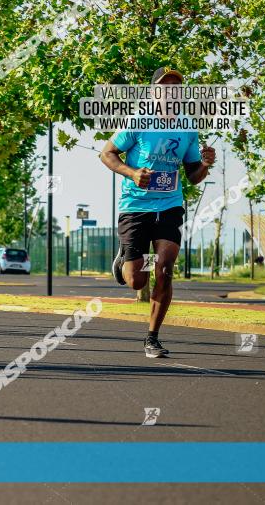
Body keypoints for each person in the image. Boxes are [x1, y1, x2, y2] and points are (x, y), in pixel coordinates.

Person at [102, 66, 215, 358]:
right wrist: (131, 172)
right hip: (135, 207)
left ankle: (152, 337)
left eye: (177, 86)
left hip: (169, 205)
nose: (171, 91)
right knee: (137, 280)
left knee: (164, 270)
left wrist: (205, 164)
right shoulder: (138, 120)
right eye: (165, 86)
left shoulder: (188, 126)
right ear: (153, 92)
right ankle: (127, 259)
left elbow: (192, 175)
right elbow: (107, 153)